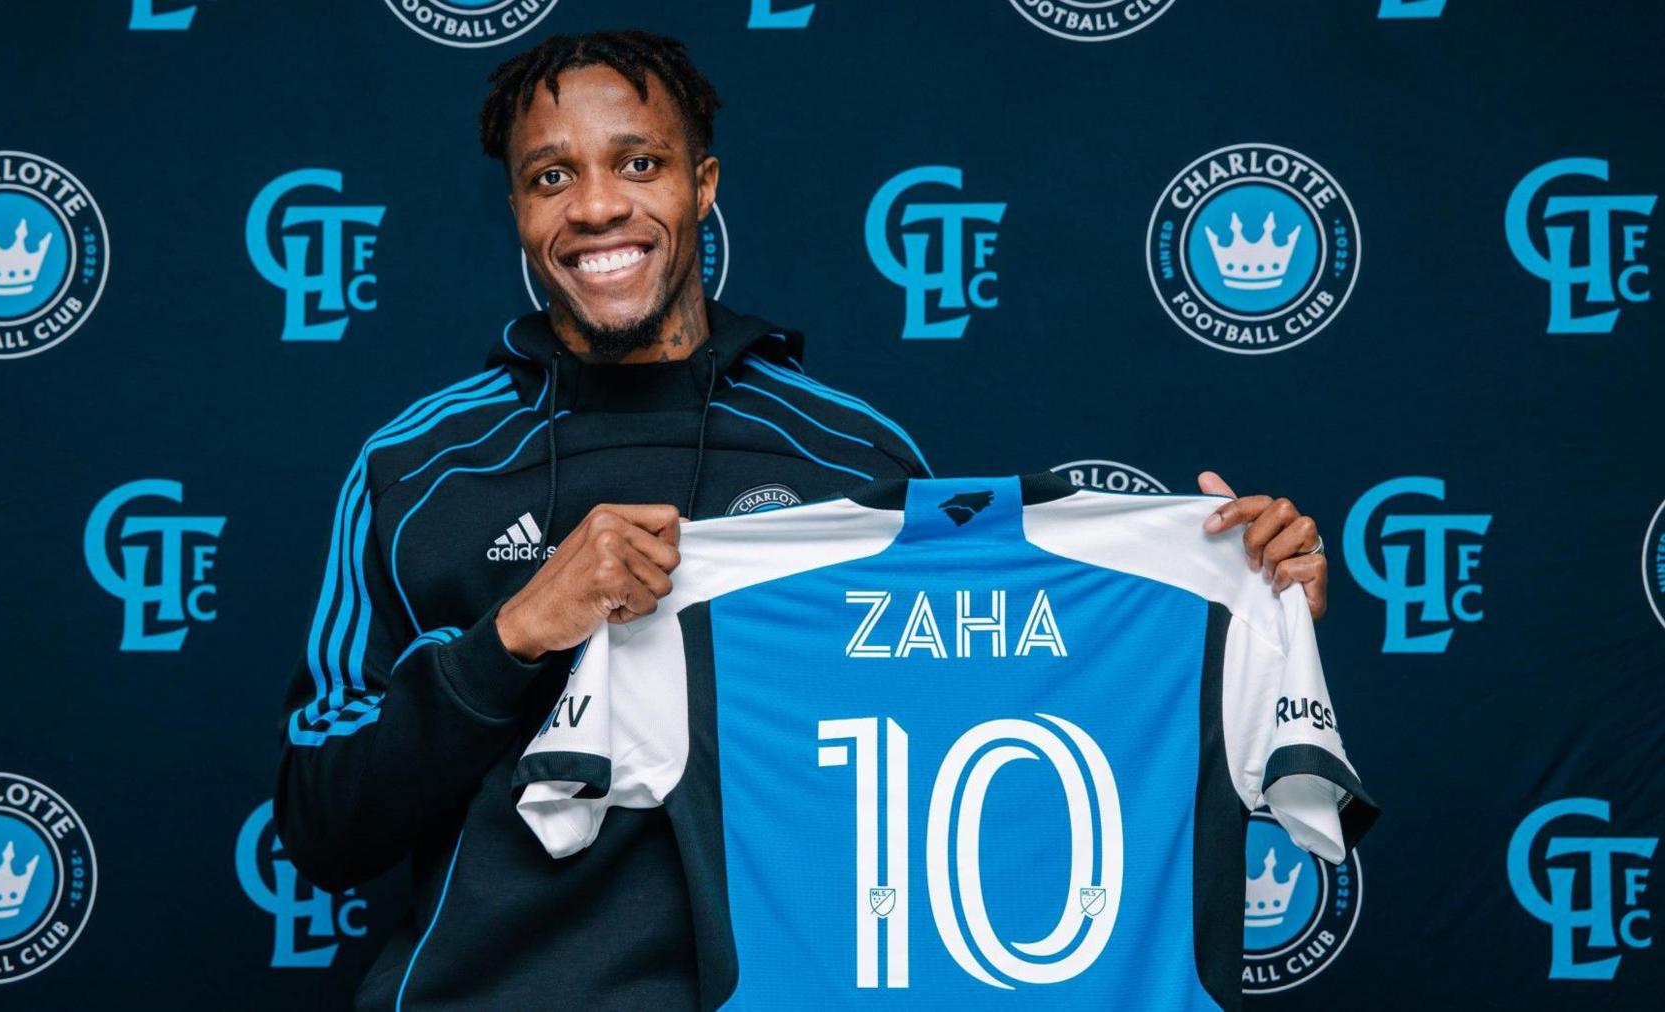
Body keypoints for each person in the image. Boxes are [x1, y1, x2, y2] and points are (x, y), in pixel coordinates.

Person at [273, 29, 1330, 1010]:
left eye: (638, 164)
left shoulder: (851, 461)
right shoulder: (418, 468)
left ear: (702, 186)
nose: (596, 207)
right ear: (518, 210)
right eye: (553, 177)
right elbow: (322, 825)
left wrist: (1233, 606)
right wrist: (514, 636)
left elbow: (990, 734)